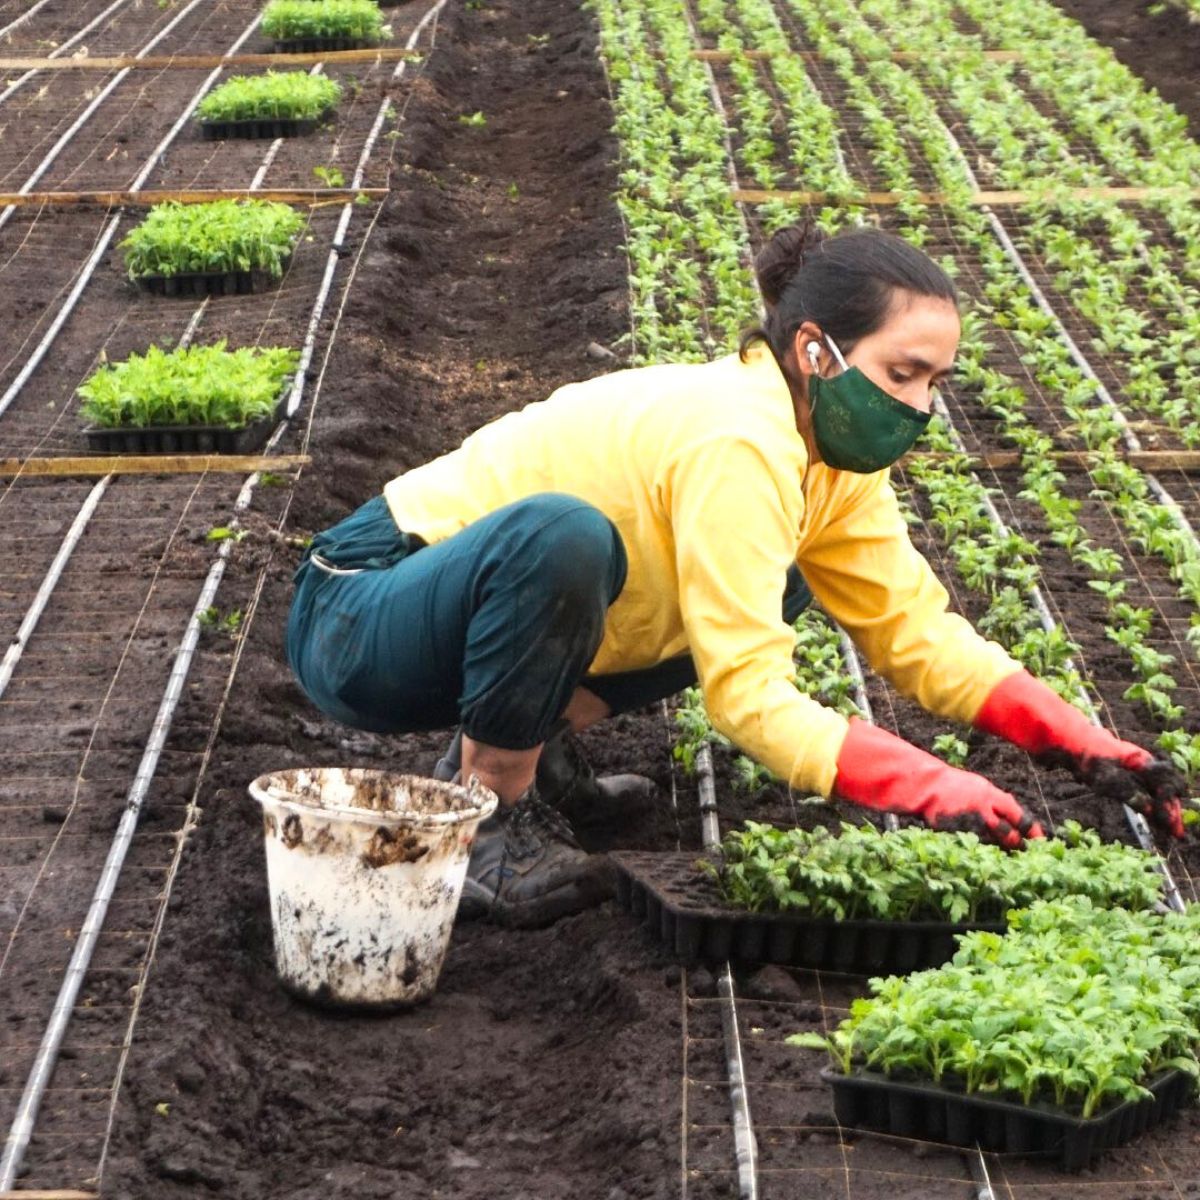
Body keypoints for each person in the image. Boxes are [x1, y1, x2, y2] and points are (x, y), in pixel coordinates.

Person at [286, 222, 1185, 929]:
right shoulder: (739, 437)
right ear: (813, 350)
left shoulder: (830, 457)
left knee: (774, 575)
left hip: (461, 612)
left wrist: (1076, 739)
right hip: (360, 612)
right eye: (903, 374)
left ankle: (536, 745)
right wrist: (927, 785)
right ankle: (485, 816)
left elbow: (912, 628)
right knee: (561, 539)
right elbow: (745, 693)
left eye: (935, 382)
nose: (920, 407)